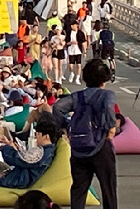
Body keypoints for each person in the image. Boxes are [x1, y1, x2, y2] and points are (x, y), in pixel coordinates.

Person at [53, 59, 117, 209]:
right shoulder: (106, 95)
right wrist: (111, 127)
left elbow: (57, 108)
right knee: (108, 187)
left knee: (78, 189)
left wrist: (66, 127)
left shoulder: (77, 96)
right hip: (100, 145)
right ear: (104, 79)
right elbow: (108, 107)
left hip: (79, 147)